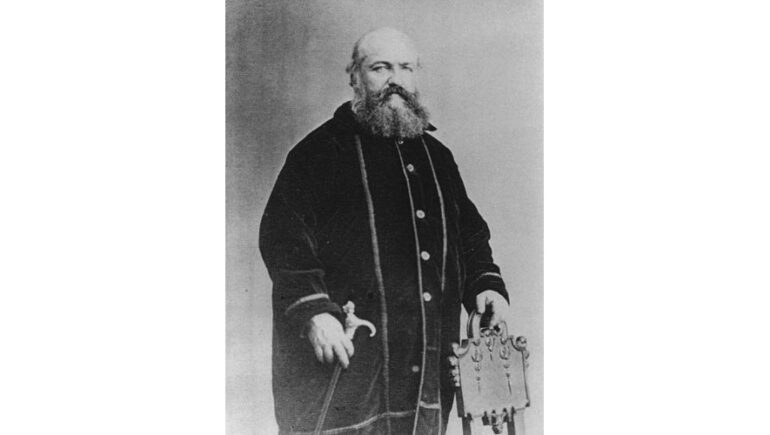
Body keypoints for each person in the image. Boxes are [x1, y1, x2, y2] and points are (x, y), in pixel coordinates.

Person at [259, 27, 511, 435]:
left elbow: (469, 236)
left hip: (424, 365)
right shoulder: (319, 152)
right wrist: (314, 311)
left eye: (405, 68)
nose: (395, 79)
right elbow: (283, 240)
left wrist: (486, 286)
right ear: (354, 76)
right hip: (349, 362)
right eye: (380, 68)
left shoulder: (438, 158)